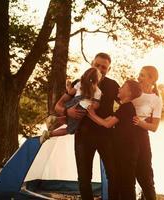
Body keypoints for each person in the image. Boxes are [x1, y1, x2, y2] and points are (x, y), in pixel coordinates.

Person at [55, 53, 120, 200]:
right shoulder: (79, 82)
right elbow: (58, 106)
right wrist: (68, 111)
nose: (100, 68)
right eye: (97, 65)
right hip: (83, 136)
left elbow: (126, 103)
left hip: (107, 136)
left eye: (104, 67)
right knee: (84, 177)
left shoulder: (113, 85)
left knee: (114, 174)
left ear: (108, 69)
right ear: (92, 63)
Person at [87, 80, 142, 200]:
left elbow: (107, 124)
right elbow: (109, 118)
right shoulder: (124, 108)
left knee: (127, 184)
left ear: (129, 92)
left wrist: (91, 113)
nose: (119, 89)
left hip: (127, 152)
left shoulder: (126, 108)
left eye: (122, 87)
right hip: (124, 151)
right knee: (123, 182)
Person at [39, 68, 102, 144]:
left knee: (69, 120)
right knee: (70, 129)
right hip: (80, 109)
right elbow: (96, 105)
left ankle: (55, 119)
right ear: (97, 80)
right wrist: (92, 107)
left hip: (71, 104)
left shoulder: (80, 83)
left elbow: (71, 92)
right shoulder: (98, 91)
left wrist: (68, 87)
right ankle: (49, 134)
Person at [132, 66, 163, 200]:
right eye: (139, 74)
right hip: (123, 136)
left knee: (145, 175)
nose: (138, 77)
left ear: (152, 79)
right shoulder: (132, 92)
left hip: (141, 137)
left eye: (142, 75)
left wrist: (141, 123)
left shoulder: (156, 99)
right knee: (127, 176)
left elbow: (154, 127)